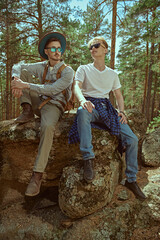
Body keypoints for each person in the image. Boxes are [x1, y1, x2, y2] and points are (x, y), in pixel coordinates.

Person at [68, 36, 146, 200]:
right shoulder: (84, 69)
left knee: (132, 139)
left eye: (96, 45)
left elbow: (118, 95)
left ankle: (131, 180)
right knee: (82, 111)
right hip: (90, 105)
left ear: (105, 49)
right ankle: (88, 159)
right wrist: (83, 101)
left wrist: (122, 111)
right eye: (90, 47)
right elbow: (76, 86)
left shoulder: (112, 74)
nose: (93, 48)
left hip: (106, 108)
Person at [11, 32, 74, 197]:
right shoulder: (42, 66)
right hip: (38, 102)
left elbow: (52, 90)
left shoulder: (68, 71)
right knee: (23, 72)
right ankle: (27, 110)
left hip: (53, 106)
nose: (57, 51)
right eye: (53, 48)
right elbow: (18, 65)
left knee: (47, 126)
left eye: (59, 48)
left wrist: (24, 85)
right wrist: (15, 80)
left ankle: (37, 175)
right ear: (46, 51)